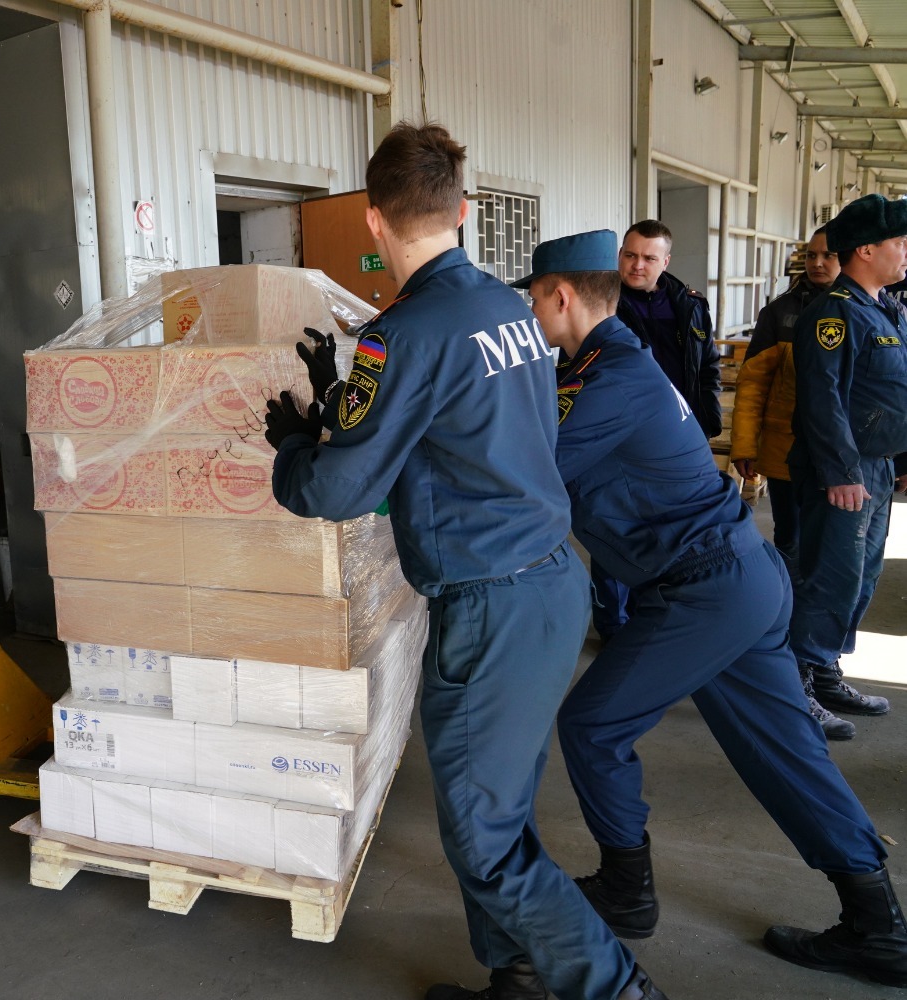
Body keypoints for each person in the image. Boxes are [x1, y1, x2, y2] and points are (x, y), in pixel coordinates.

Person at [265, 122, 665, 1000]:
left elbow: (337, 491)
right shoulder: (509, 312)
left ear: (374, 220)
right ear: (464, 210)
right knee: (498, 810)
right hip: (551, 582)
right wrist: (351, 412)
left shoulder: (400, 334)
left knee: (484, 839)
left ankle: (615, 990)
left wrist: (296, 450)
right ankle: (517, 976)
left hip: (491, 607)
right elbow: (467, 436)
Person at [518, 229, 904, 992]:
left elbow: (526, 475)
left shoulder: (607, 380)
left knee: (592, 725)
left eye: (532, 299)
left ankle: (627, 890)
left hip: (705, 588)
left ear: (559, 296)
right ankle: (880, 926)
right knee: (788, 754)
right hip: (736, 579)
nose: (531, 313)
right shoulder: (605, 364)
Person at [787, 194, 906, 739]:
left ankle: (826, 670)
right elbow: (823, 400)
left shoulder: (887, 308)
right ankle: (796, 686)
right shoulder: (833, 314)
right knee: (829, 578)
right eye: (899, 242)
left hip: (878, 468)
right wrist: (840, 473)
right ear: (866, 250)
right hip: (844, 472)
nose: (906, 251)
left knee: (862, 578)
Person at [730, 229, 852, 738]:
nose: (818, 263)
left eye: (829, 255)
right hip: (787, 461)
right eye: (812, 255)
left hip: (848, 466)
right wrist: (745, 445)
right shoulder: (780, 313)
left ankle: (824, 669)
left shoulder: (867, 308)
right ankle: (795, 678)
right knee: (797, 562)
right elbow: (753, 383)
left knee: (841, 571)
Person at [585, 220, 721, 640]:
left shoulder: (690, 305)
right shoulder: (600, 303)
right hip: (620, 437)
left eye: (648, 258)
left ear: (666, 261)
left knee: (667, 530)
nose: (637, 265)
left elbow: (708, 368)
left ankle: (651, 616)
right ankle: (614, 625)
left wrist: (707, 421)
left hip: (674, 436)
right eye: (629, 255)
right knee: (615, 526)